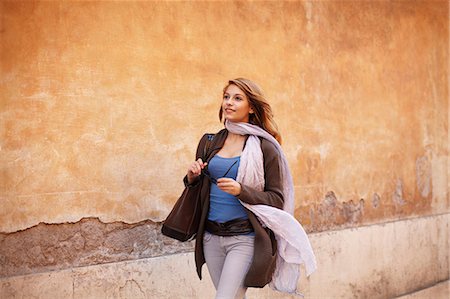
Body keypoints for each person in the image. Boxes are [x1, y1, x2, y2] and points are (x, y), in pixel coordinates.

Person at [185, 78, 316, 299]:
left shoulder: (265, 147)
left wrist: (241, 191)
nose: (229, 103)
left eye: (237, 98)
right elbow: (198, 188)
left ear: (252, 107)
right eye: (226, 97)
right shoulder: (210, 142)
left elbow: (276, 198)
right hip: (210, 237)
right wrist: (192, 177)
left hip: (243, 238)